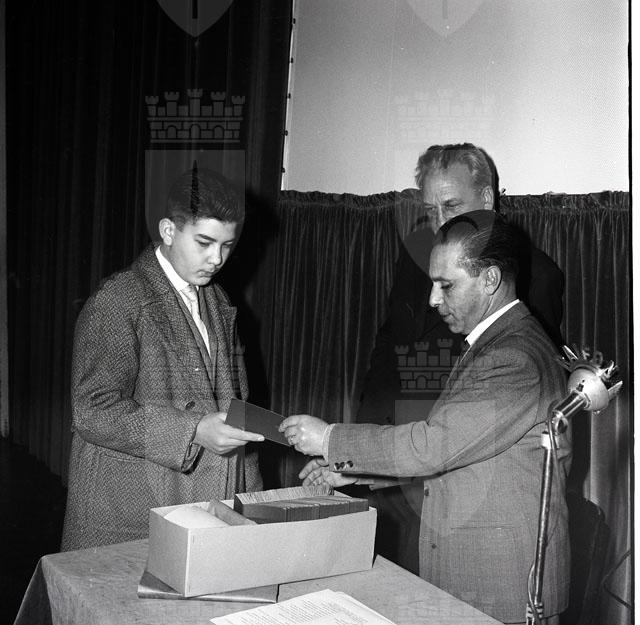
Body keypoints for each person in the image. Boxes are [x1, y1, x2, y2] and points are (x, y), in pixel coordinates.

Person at [280, 211, 571, 624]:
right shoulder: (497, 343)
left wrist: (329, 438)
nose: (433, 299)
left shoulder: (514, 358)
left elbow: (434, 447)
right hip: (484, 580)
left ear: (490, 280)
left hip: (504, 588)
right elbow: (462, 454)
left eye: (446, 285)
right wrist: (352, 470)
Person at [353, 143, 565, 573]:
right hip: (392, 458)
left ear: (487, 200)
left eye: (450, 206)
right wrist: (363, 440)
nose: (439, 223)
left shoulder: (535, 274)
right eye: (429, 210)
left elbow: (508, 390)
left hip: (460, 476)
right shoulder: (418, 255)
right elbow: (388, 345)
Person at [61, 167, 265, 551]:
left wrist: (250, 499)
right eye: (204, 242)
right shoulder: (118, 301)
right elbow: (92, 411)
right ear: (169, 231)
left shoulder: (218, 300)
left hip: (201, 502)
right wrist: (193, 430)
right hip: (129, 510)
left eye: (227, 245)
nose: (217, 258)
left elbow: (234, 408)